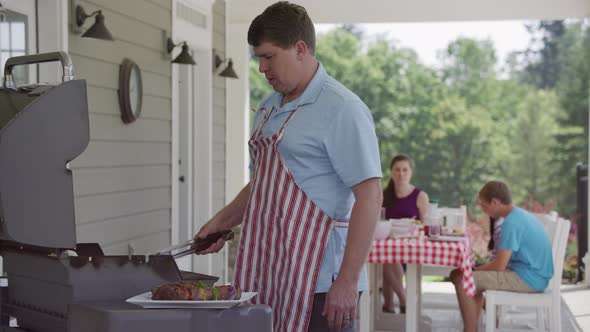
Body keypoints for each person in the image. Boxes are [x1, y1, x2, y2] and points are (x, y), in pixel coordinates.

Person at [193, 2, 383, 332]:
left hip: (323, 281)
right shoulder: (268, 107)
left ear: (299, 49)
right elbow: (263, 183)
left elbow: (370, 196)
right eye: (258, 58)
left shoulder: (343, 109)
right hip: (270, 272)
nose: (262, 68)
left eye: (269, 57)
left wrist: (348, 282)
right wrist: (220, 222)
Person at [450, 181, 553, 332]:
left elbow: (499, 266)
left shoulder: (511, 223)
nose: (482, 209)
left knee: (462, 279)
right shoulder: (519, 215)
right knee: (466, 277)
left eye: (483, 205)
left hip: (528, 279)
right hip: (535, 275)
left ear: (495, 202)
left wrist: (475, 270)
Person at [381, 154, 429, 314]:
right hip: (388, 243)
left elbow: (425, 225)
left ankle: (390, 304)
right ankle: (402, 299)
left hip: (411, 247)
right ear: (391, 172)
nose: (401, 174)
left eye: (404, 170)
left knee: (387, 259)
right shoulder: (383, 195)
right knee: (387, 257)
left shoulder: (420, 196)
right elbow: (378, 222)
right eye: (397, 170)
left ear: (411, 172)